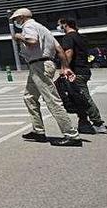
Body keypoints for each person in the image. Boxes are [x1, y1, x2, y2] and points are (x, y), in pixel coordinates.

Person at [9, 8, 81, 147]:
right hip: (42, 64)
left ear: (22, 17)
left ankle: (71, 135)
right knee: (29, 97)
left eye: (16, 19)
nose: (15, 21)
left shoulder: (28, 26)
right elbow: (59, 49)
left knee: (52, 100)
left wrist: (19, 37)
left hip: (39, 65)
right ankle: (38, 131)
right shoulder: (43, 28)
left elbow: (32, 41)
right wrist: (65, 66)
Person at [57, 18, 107, 134]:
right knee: (78, 98)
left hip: (76, 71)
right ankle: (84, 123)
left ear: (65, 25)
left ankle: (98, 123)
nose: (59, 27)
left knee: (83, 97)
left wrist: (65, 67)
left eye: (59, 24)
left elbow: (69, 52)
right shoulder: (80, 37)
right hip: (84, 70)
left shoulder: (68, 37)